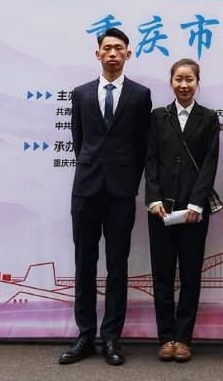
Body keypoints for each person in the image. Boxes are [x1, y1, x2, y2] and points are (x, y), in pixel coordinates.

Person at [60, 28, 152, 367]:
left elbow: (142, 145)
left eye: (119, 48)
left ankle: (111, 337)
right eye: (107, 48)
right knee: (84, 263)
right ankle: (85, 335)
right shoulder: (81, 94)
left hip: (120, 192)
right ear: (97, 53)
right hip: (85, 190)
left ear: (128, 54)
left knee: (117, 265)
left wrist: (128, 182)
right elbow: (80, 141)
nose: (113, 53)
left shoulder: (141, 95)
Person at [145, 58, 221, 363]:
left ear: (197, 82)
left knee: (190, 276)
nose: (184, 85)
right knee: (162, 276)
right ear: (171, 82)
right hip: (161, 211)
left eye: (190, 79)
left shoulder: (209, 117)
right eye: (179, 79)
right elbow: (150, 159)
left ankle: (184, 338)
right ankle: (166, 338)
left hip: (193, 213)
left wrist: (196, 203)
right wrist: (153, 199)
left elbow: (211, 162)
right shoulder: (158, 116)